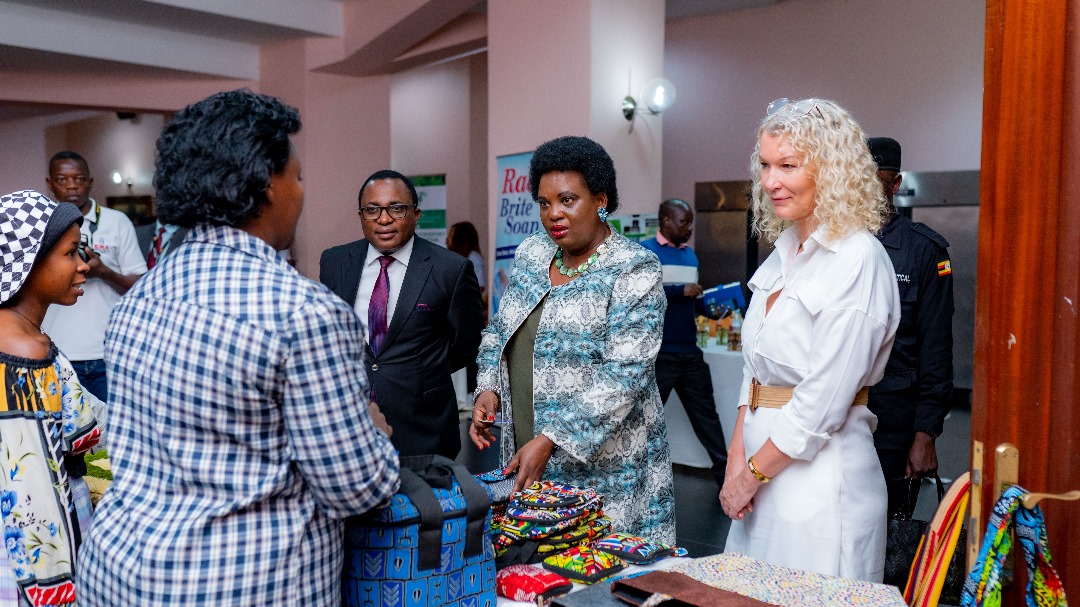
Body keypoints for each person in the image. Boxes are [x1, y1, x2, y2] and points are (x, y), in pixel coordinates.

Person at [76, 89, 400, 606]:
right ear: (268, 185)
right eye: (298, 178)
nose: (301, 192)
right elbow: (356, 489)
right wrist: (375, 433)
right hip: (238, 583)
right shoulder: (304, 312)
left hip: (117, 573)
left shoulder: (141, 299)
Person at [720, 99, 900, 582]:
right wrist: (737, 456)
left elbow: (823, 400)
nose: (770, 180)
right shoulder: (783, 253)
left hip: (819, 486)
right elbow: (753, 372)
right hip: (761, 478)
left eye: (788, 165)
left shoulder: (857, 258)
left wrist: (751, 473)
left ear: (832, 170)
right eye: (764, 164)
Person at [469, 135, 676, 543]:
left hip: (608, 467)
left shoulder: (633, 268)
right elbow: (499, 328)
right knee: (536, 575)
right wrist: (488, 387)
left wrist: (552, 438)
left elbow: (626, 374)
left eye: (567, 200)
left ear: (600, 199)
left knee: (600, 577)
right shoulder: (532, 254)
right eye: (544, 203)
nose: (553, 215)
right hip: (528, 446)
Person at [320, 170, 484, 459]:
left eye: (396, 208)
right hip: (349, 428)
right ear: (361, 216)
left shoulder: (451, 269)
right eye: (373, 210)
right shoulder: (334, 262)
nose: (384, 219)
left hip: (424, 430)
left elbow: (466, 344)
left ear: (416, 214)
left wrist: (420, 372)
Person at [0, 189, 101, 606]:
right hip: (37, 570)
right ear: (28, 263)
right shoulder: (23, 355)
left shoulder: (26, 336)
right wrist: (55, 593)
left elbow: (85, 435)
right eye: (70, 253)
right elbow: (31, 497)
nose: (83, 266)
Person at [866, 137, 954, 519]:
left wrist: (925, 434)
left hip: (893, 418)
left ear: (895, 183)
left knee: (886, 528)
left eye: (876, 177)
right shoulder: (829, 243)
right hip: (834, 414)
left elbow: (937, 346)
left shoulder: (924, 251)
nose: (864, 185)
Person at [42, 151, 147, 403]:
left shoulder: (116, 221)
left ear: (90, 181)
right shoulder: (42, 224)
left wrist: (103, 272)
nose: (71, 186)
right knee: (69, 436)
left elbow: (141, 287)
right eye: (62, 179)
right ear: (49, 184)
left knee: (112, 432)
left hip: (109, 350)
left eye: (78, 179)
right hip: (58, 351)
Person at [640, 198, 728, 488]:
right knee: (645, 421)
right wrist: (680, 291)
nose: (690, 228)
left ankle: (726, 479)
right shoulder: (646, 253)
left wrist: (717, 308)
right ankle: (634, 479)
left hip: (690, 353)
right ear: (666, 221)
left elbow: (693, 304)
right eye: (684, 222)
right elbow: (642, 296)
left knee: (708, 420)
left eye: (691, 222)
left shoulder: (691, 256)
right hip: (659, 354)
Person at [447, 221, 486, 292]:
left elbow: (480, 285)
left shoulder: (473, 258)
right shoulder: (451, 257)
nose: (447, 239)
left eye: (451, 235)